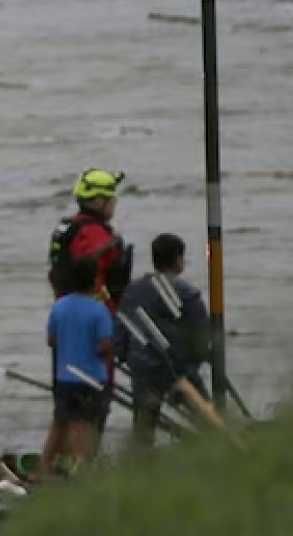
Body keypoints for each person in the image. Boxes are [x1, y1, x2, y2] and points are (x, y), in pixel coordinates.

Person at [116, 233, 209, 452]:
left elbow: (121, 327)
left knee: (144, 425)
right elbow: (201, 332)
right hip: (178, 368)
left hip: (143, 366)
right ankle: (218, 451)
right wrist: (197, 358)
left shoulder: (133, 290)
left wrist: (124, 355)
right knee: (205, 415)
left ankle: (141, 464)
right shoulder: (186, 292)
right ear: (178, 259)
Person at [41, 256, 114, 476]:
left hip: (64, 377)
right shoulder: (99, 310)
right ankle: (81, 469)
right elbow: (105, 346)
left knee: (59, 422)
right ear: (95, 280)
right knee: (85, 425)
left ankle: (44, 468)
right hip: (91, 377)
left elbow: (51, 341)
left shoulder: (59, 307)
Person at [47, 168, 131, 309]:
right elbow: (94, 281)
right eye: (111, 198)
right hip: (94, 312)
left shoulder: (69, 227)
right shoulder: (94, 235)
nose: (115, 202)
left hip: (66, 308)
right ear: (98, 201)